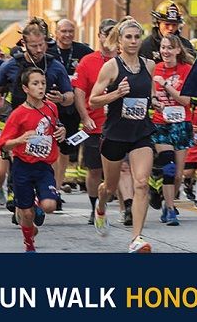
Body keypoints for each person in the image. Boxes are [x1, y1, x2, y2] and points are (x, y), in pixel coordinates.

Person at [89, 17, 156, 253]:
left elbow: (151, 93)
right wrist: (116, 94)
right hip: (115, 133)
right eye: (128, 37)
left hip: (141, 133)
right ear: (119, 40)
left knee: (141, 184)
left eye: (137, 37)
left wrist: (156, 102)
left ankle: (136, 238)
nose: (133, 41)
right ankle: (101, 206)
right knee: (110, 185)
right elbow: (93, 100)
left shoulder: (149, 66)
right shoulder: (111, 67)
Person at [0, 67, 66, 252]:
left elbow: (55, 126)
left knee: (50, 206)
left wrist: (62, 131)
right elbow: (3, 144)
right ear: (26, 88)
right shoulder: (18, 114)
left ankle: (36, 201)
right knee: (26, 214)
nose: (41, 87)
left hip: (43, 166)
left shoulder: (51, 107)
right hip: (22, 167)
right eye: (35, 84)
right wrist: (20, 140)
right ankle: (29, 242)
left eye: (43, 83)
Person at [72, 18, 119, 225]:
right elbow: (79, 92)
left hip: (120, 125)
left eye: (113, 34)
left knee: (122, 169)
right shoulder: (88, 61)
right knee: (95, 170)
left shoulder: (125, 60)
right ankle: (94, 207)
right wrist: (85, 117)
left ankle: (127, 207)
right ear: (99, 36)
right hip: (95, 125)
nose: (109, 38)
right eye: (106, 34)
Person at [150, 33, 195, 225]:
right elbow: (151, 96)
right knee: (168, 167)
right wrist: (154, 102)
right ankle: (170, 210)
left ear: (178, 50)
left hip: (182, 124)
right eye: (163, 48)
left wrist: (166, 85)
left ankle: (166, 199)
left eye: (169, 48)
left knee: (178, 174)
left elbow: (185, 100)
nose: (165, 52)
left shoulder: (187, 70)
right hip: (161, 123)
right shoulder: (155, 69)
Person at [49, 19, 94, 195]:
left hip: (73, 106)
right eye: (63, 31)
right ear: (56, 32)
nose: (67, 35)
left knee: (66, 148)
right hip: (51, 105)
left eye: (71, 31)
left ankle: (57, 188)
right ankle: (50, 185)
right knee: (52, 145)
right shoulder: (49, 51)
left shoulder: (82, 51)